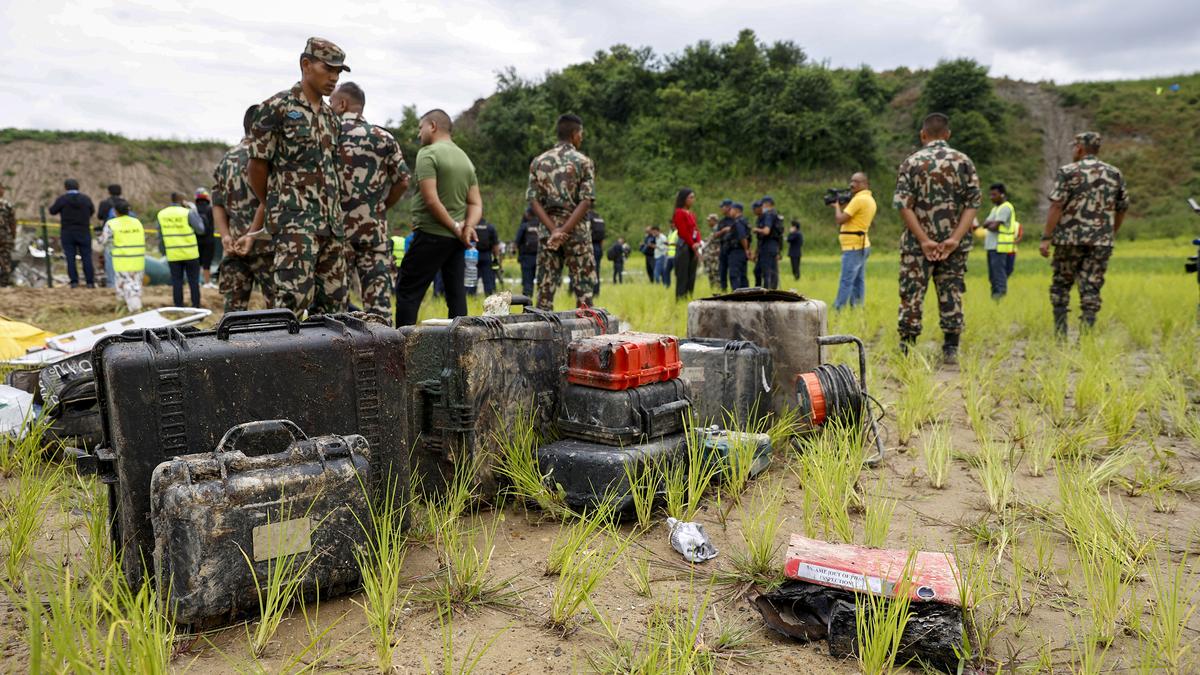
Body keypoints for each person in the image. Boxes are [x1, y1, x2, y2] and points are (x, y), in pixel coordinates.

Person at [248, 37, 350, 317]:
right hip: (295, 226)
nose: (334, 77)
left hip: (332, 226)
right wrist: (274, 204)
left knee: (335, 308)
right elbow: (256, 167)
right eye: (328, 68)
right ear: (306, 64)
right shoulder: (277, 107)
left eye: (338, 72)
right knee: (291, 304)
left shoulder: (331, 118)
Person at [894, 113, 981, 364]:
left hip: (916, 245)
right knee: (951, 290)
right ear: (948, 134)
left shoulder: (912, 162)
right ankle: (951, 348)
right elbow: (972, 204)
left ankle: (907, 348)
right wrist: (954, 239)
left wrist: (923, 240)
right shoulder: (963, 161)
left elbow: (903, 205)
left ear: (923, 135)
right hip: (955, 245)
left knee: (911, 293)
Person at [394, 109, 482, 326]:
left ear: (432, 126)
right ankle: (462, 348)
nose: (418, 134)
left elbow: (431, 200)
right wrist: (467, 227)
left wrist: (455, 227)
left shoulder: (428, 153)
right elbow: (476, 203)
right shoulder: (465, 159)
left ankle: (400, 349)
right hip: (457, 240)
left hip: (431, 234)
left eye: (420, 127)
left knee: (407, 292)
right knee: (456, 297)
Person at [331, 81, 410, 318]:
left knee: (334, 306)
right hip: (374, 232)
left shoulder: (328, 134)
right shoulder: (384, 138)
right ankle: (383, 350)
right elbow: (403, 180)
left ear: (343, 103)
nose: (329, 106)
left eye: (331, 102)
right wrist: (383, 206)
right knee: (378, 305)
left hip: (335, 232)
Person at [1040, 132, 1128, 335]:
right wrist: (1110, 232)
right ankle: (1086, 334)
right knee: (1092, 284)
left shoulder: (1068, 171)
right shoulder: (1114, 173)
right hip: (1100, 241)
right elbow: (1122, 207)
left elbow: (1056, 204)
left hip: (1069, 239)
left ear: (1079, 148)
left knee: (1061, 283)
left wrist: (1046, 237)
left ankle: (1060, 333)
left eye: (1074, 147)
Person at [528, 114, 596, 310]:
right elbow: (586, 201)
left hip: (548, 234)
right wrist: (565, 230)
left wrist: (555, 231)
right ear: (575, 134)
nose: (581, 138)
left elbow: (533, 200)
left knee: (544, 292)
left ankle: (540, 338)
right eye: (580, 134)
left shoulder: (538, 162)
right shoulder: (583, 162)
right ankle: (586, 337)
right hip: (577, 234)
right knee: (584, 291)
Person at [213, 104, 275, 312]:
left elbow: (217, 203)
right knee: (278, 313)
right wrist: (252, 234)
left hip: (234, 248)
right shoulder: (267, 157)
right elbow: (268, 199)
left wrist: (225, 236)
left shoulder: (226, 160)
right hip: (267, 247)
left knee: (233, 315)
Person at [831, 173, 877, 309]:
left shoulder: (859, 200)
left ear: (864, 184)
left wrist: (836, 207)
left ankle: (838, 308)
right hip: (862, 244)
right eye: (851, 181)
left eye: (856, 182)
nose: (852, 184)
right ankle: (857, 307)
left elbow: (840, 219)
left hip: (854, 246)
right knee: (858, 280)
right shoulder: (869, 199)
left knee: (846, 280)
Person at [97, 199, 144, 312]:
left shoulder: (112, 223)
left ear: (115, 211)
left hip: (122, 260)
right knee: (136, 283)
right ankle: (131, 307)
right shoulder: (137, 222)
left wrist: (99, 240)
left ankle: (131, 309)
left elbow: (103, 240)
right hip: (138, 259)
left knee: (124, 284)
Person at [157, 193, 204, 308]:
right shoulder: (188, 212)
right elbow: (201, 229)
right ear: (183, 201)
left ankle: (178, 306)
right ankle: (196, 306)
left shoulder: (162, 214)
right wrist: (194, 211)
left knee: (176, 281)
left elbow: (160, 235)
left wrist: (163, 250)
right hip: (190, 254)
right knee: (193, 281)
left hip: (173, 254)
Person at [48, 179, 96, 287]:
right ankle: (90, 282)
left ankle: (74, 281)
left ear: (65, 187)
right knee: (86, 257)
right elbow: (92, 211)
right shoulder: (85, 199)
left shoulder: (62, 199)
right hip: (83, 231)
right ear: (78, 187)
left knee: (70, 257)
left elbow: (52, 211)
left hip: (68, 232)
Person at [981, 183, 1019, 299]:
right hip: (992, 247)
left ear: (1002, 195)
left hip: (1000, 247)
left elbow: (993, 226)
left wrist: (990, 224)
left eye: (994, 195)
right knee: (992, 277)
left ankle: (1000, 299)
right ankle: (994, 298)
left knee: (999, 276)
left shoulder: (1006, 208)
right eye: (990, 194)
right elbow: (985, 224)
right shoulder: (995, 209)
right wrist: (990, 224)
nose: (991, 197)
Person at [672, 188, 701, 299]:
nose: (693, 200)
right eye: (691, 197)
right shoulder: (679, 213)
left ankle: (689, 297)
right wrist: (692, 244)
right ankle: (680, 299)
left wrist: (697, 242)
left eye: (693, 197)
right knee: (683, 275)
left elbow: (696, 230)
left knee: (691, 274)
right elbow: (683, 231)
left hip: (692, 246)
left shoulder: (691, 214)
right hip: (684, 246)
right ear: (684, 199)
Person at [95, 183, 124, 287]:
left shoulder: (105, 203)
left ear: (109, 192)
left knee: (110, 258)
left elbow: (99, 216)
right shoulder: (124, 203)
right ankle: (122, 281)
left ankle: (112, 283)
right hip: (123, 233)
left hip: (110, 233)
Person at [753, 196, 783, 289]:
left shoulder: (769, 215)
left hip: (768, 246)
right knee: (764, 270)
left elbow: (766, 231)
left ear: (766, 204)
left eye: (763, 205)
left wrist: (757, 230)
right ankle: (768, 290)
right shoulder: (775, 215)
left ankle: (767, 291)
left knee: (766, 271)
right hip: (771, 246)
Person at [191, 188, 218, 288]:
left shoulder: (193, 210)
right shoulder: (211, 209)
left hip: (196, 240)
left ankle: (196, 282)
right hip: (209, 240)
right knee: (207, 263)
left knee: (197, 262)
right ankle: (207, 282)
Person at [726, 202, 752, 290]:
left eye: (731, 209)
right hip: (741, 252)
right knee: (743, 275)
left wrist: (746, 249)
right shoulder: (744, 221)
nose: (730, 212)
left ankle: (737, 297)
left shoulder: (738, 222)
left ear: (736, 210)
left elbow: (742, 237)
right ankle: (746, 296)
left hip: (736, 252)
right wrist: (747, 249)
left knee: (734, 275)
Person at [472, 217, 501, 295]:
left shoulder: (471, 226)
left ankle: (470, 295)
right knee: (488, 279)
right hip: (486, 255)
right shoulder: (490, 227)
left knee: (472, 277)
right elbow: (495, 245)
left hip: (472, 254)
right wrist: (496, 258)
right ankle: (489, 295)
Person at [514, 208, 539, 297]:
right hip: (540, 257)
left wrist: (514, 251)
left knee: (527, 280)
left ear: (528, 214)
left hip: (526, 257)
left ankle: (527, 300)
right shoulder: (541, 225)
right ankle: (541, 298)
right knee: (540, 279)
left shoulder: (524, 226)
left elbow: (517, 242)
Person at [715, 199, 735, 290]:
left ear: (728, 207)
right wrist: (723, 231)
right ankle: (723, 290)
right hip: (723, 247)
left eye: (722, 207)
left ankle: (734, 290)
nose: (721, 209)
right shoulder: (722, 221)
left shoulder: (736, 220)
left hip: (733, 249)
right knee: (722, 270)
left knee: (733, 271)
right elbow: (716, 235)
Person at [702, 213, 722, 289]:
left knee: (715, 272)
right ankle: (714, 288)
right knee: (711, 272)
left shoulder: (717, 230)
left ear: (714, 220)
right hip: (711, 255)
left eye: (709, 220)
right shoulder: (714, 230)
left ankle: (718, 288)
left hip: (715, 255)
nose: (708, 222)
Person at [0, 184, 14, 287]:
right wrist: (13, 235)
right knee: (5, 259)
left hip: (5, 237)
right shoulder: (7, 205)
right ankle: (4, 283)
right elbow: (12, 222)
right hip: (5, 237)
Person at [590, 209, 606, 297]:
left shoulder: (586, 216)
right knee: (597, 270)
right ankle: (596, 292)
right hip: (598, 247)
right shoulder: (599, 218)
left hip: (590, 245)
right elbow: (603, 236)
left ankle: (587, 293)